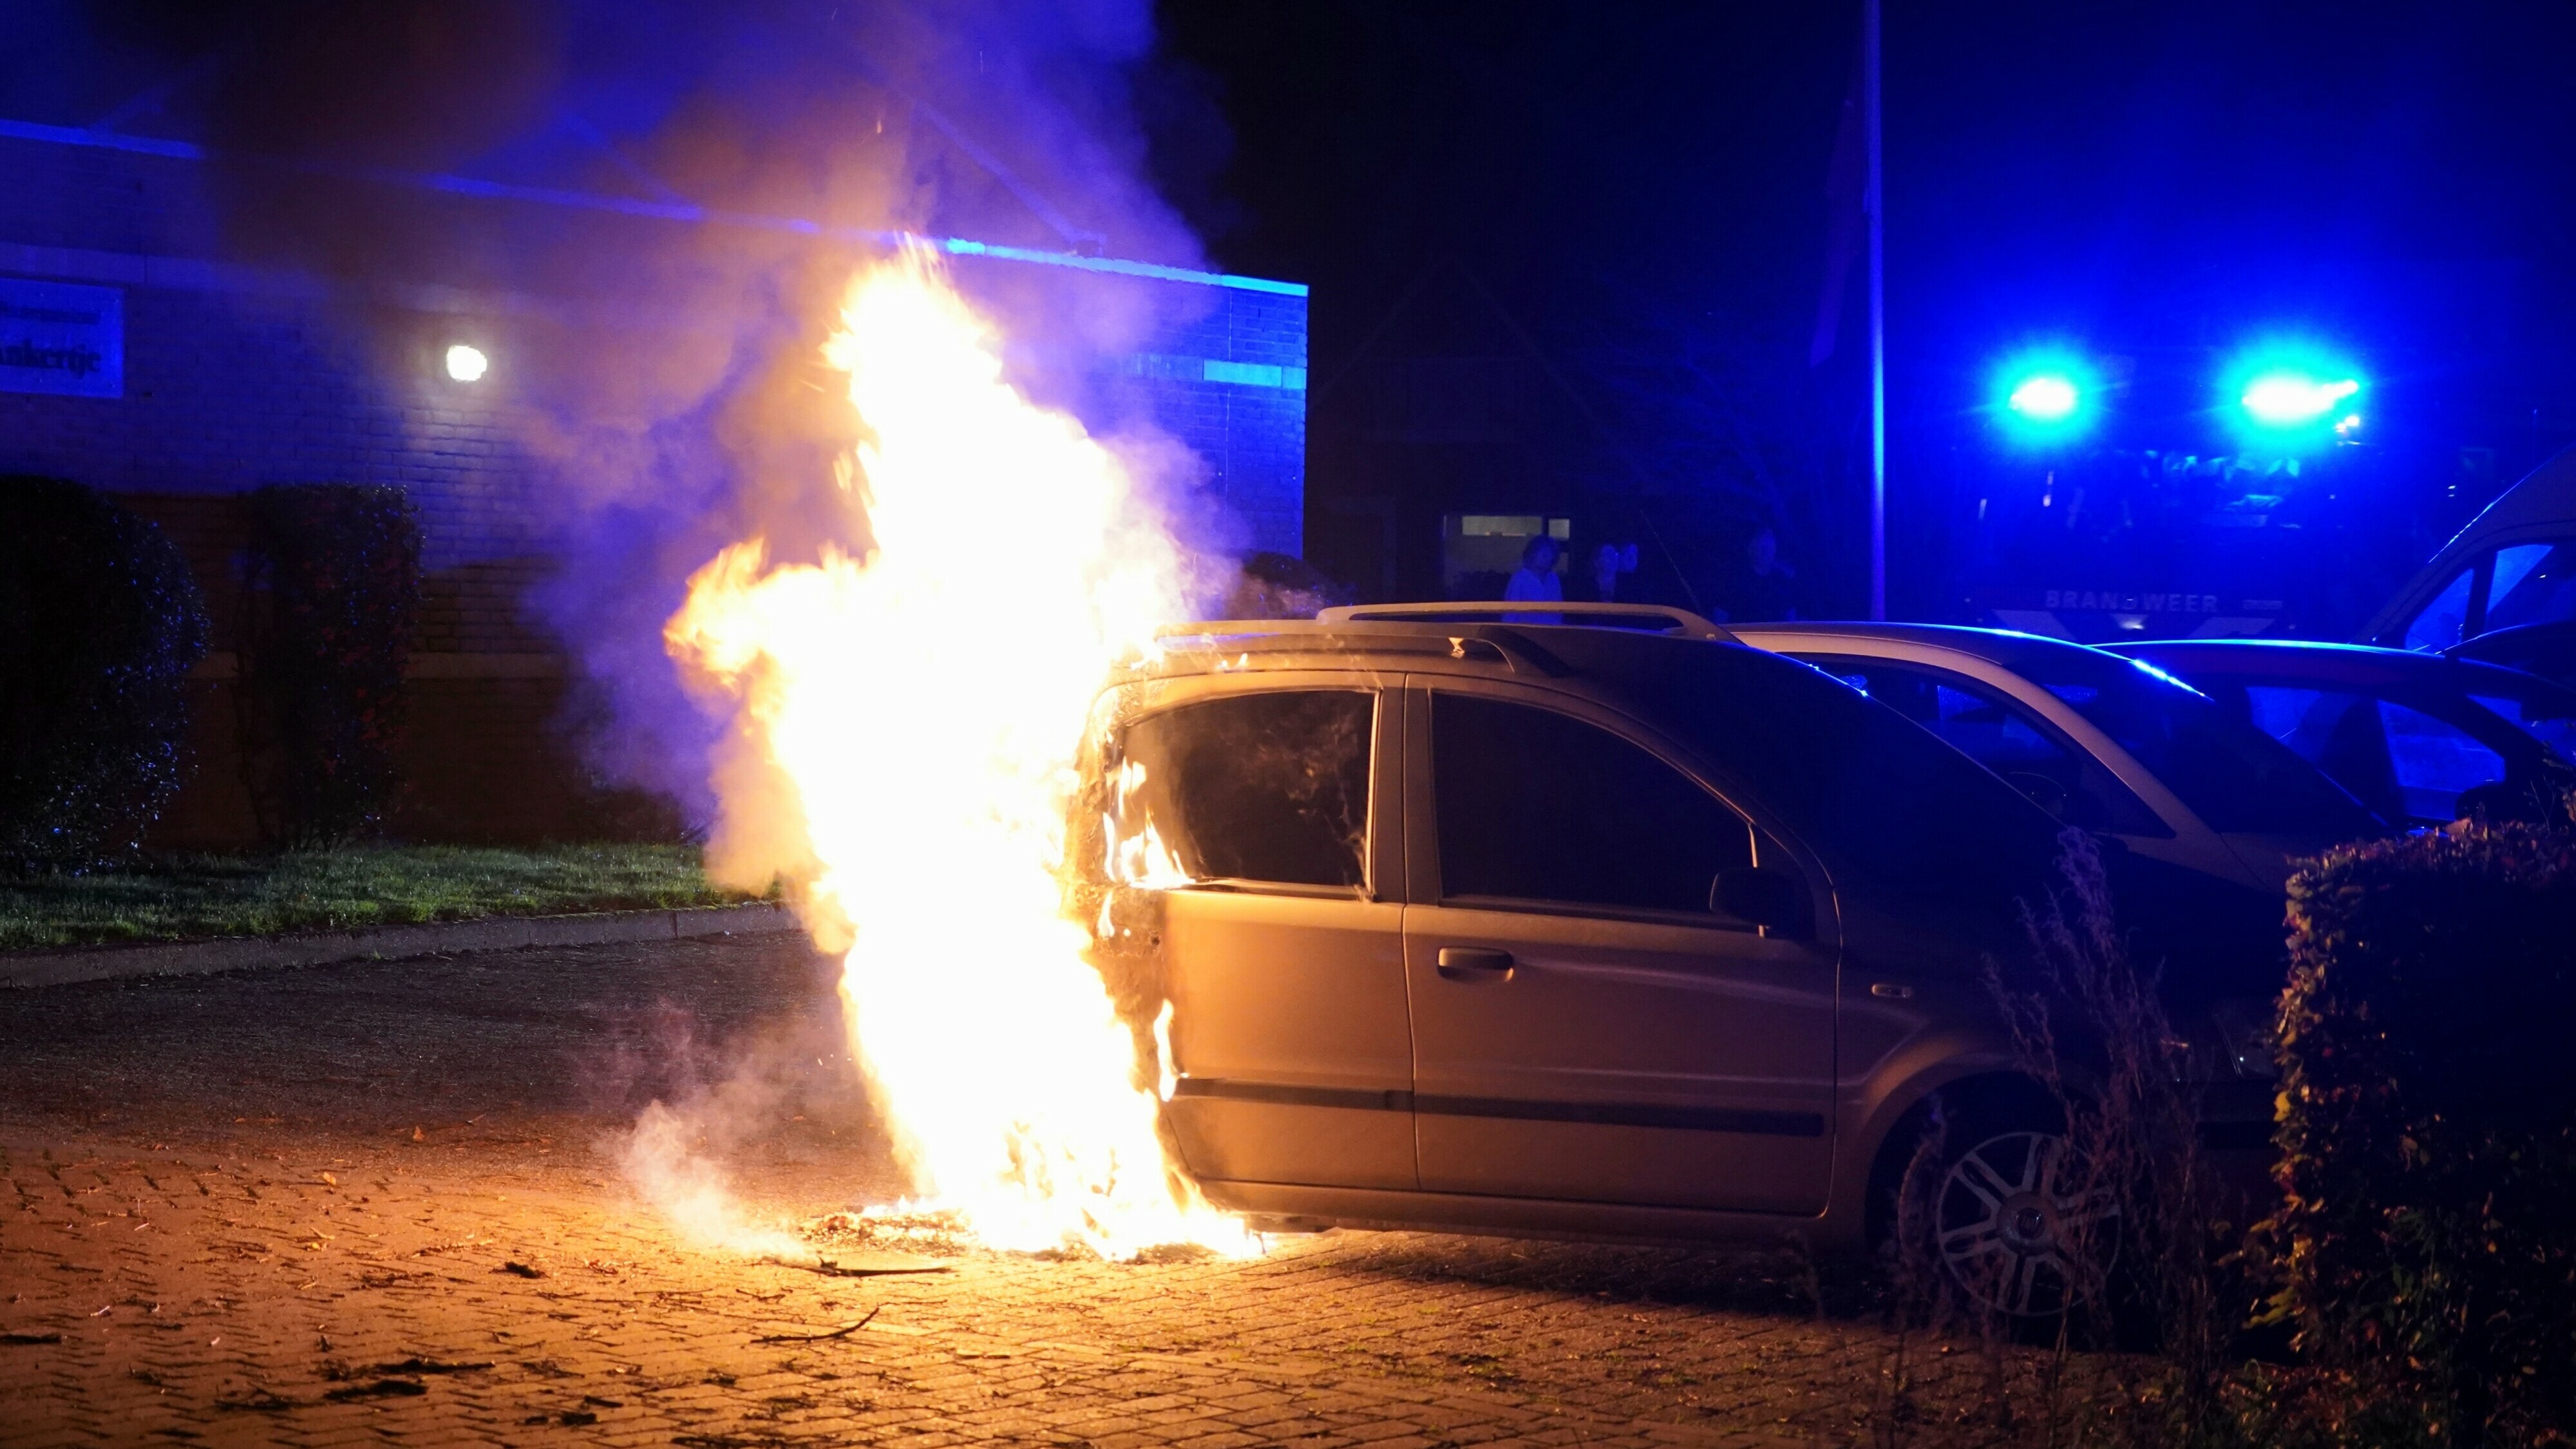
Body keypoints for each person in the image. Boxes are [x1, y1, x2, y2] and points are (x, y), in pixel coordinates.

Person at [1727, 527, 1800, 622]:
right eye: (1763, 548)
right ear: (1751, 550)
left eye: (1770, 548)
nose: (1767, 553)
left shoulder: (1782, 581)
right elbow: (1722, 616)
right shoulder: (1738, 582)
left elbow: (1790, 614)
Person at [1502, 534, 1564, 623]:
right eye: (1542, 552)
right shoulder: (1519, 579)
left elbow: (1559, 610)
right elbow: (1510, 614)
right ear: (1532, 554)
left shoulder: (1553, 579)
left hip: (1552, 632)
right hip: (1525, 632)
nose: (1546, 557)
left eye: (1549, 552)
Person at [1571, 542, 1640, 603]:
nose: (1613, 558)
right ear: (1596, 561)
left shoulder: (1628, 586)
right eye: (1608, 555)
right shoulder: (1584, 587)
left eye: (1615, 554)